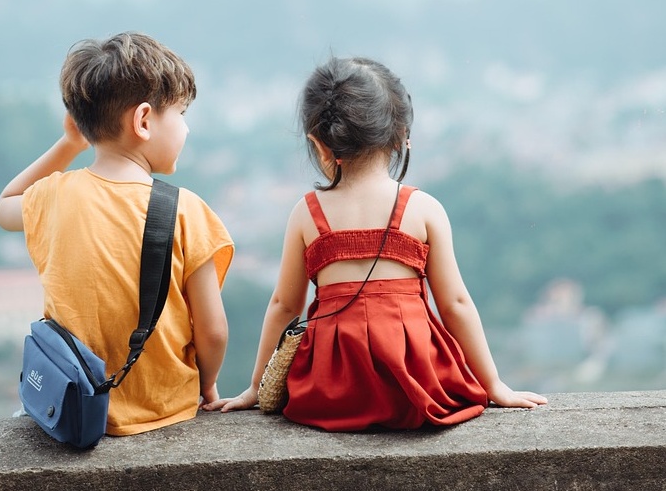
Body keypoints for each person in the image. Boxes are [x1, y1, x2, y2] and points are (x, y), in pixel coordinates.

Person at [205, 56, 546, 431]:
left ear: (319, 144)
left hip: (330, 392)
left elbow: (285, 306)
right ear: (401, 136)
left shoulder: (306, 214)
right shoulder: (423, 209)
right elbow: (455, 304)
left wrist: (257, 387)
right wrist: (494, 384)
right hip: (414, 386)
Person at [0, 32, 233, 436]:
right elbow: (213, 332)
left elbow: (4, 207)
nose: (187, 129)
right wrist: (206, 385)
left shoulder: (53, 196)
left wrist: (70, 144)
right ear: (143, 121)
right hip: (165, 410)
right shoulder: (187, 211)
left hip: (76, 407)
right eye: (180, 113)